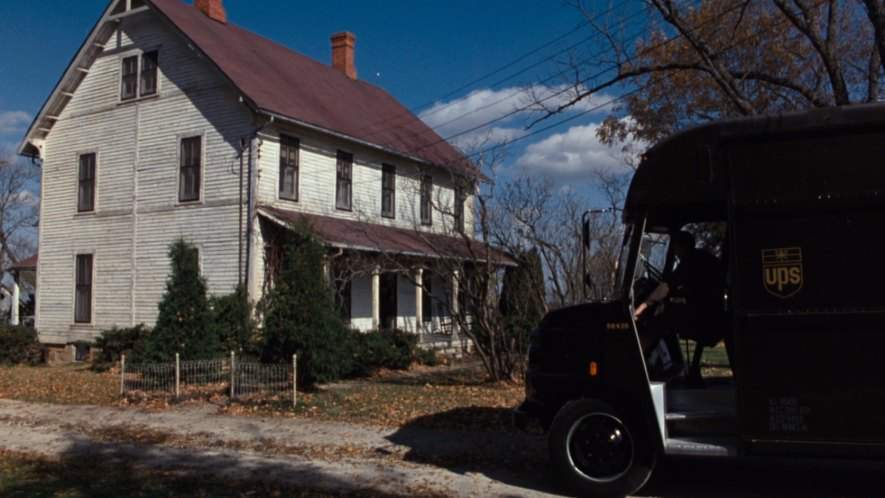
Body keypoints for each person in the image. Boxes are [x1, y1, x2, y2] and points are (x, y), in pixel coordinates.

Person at [634, 231, 726, 380]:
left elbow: (667, 286)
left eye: (675, 248)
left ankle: (640, 361)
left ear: (680, 247)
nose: (675, 253)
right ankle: (673, 365)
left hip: (705, 318)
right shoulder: (702, 258)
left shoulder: (691, 260)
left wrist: (642, 307)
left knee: (659, 320)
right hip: (714, 312)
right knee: (667, 313)